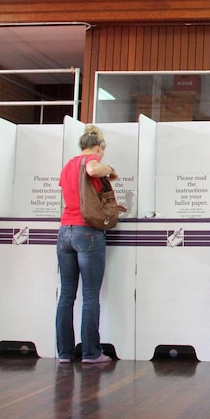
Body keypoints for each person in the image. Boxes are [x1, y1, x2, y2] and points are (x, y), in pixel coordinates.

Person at [56, 125, 124, 364]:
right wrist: (111, 170)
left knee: (66, 295)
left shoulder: (67, 166)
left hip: (65, 232)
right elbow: (93, 169)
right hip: (87, 232)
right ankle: (91, 353)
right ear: (99, 147)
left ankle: (64, 353)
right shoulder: (91, 159)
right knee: (90, 296)